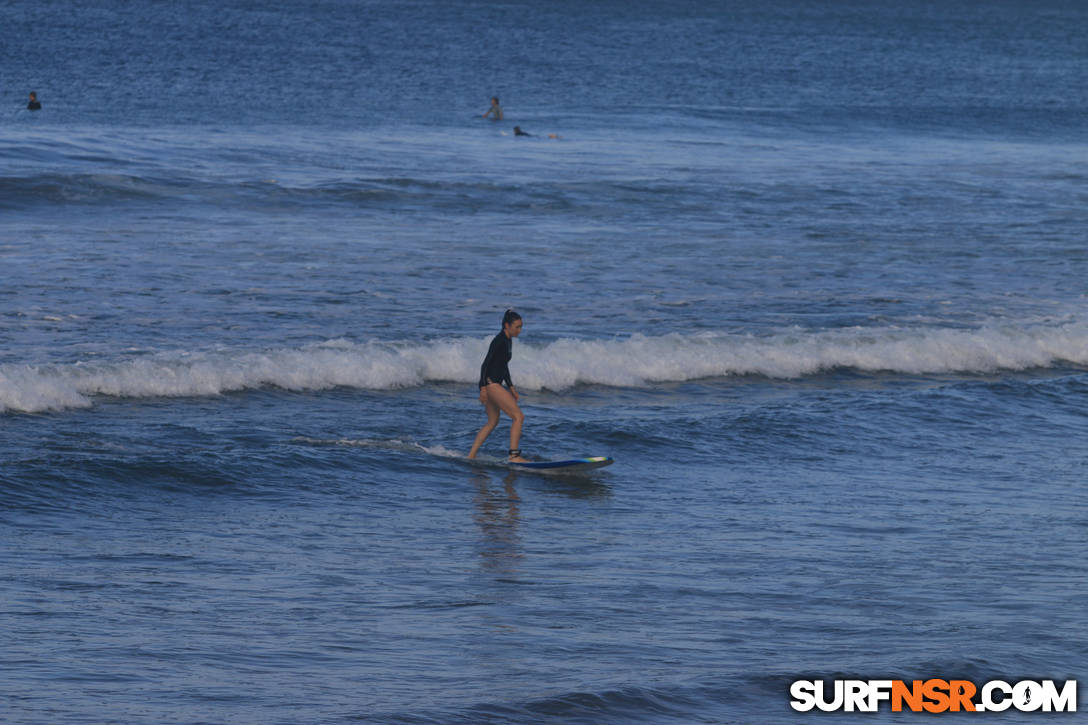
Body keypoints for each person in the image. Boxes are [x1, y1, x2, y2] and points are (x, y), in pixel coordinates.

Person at [468, 309, 528, 462]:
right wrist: (482, 388)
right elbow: (485, 364)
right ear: (507, 325)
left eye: (521, 327)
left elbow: (503, 366)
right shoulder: (499, 340)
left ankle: (471, 456)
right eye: (517, 327)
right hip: (491, 385)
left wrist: (511, 387)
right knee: (518, 417)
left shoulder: (508, 340)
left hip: (494, 385)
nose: (520, 330)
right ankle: (514, 456)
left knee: (492, 422)